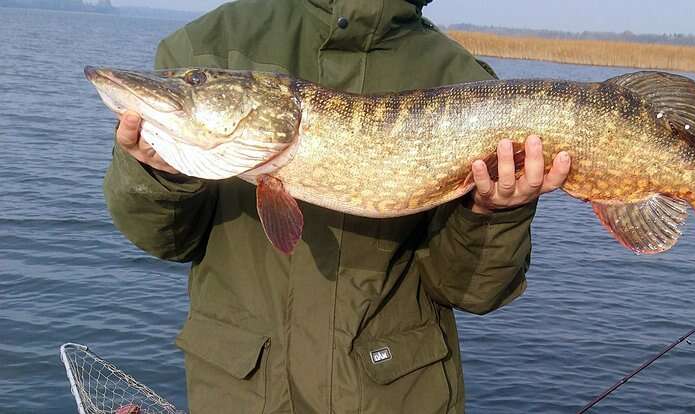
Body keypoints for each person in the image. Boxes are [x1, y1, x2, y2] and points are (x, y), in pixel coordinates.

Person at [104, 0, 571, 412]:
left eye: (196, 82)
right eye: (196, 81)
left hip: (395, 396)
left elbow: (471, 292)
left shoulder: (458, 75)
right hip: (243, 394)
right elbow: (162, 239)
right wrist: (158, 173)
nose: (190, 81)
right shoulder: (208, 43)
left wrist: (493, 213)